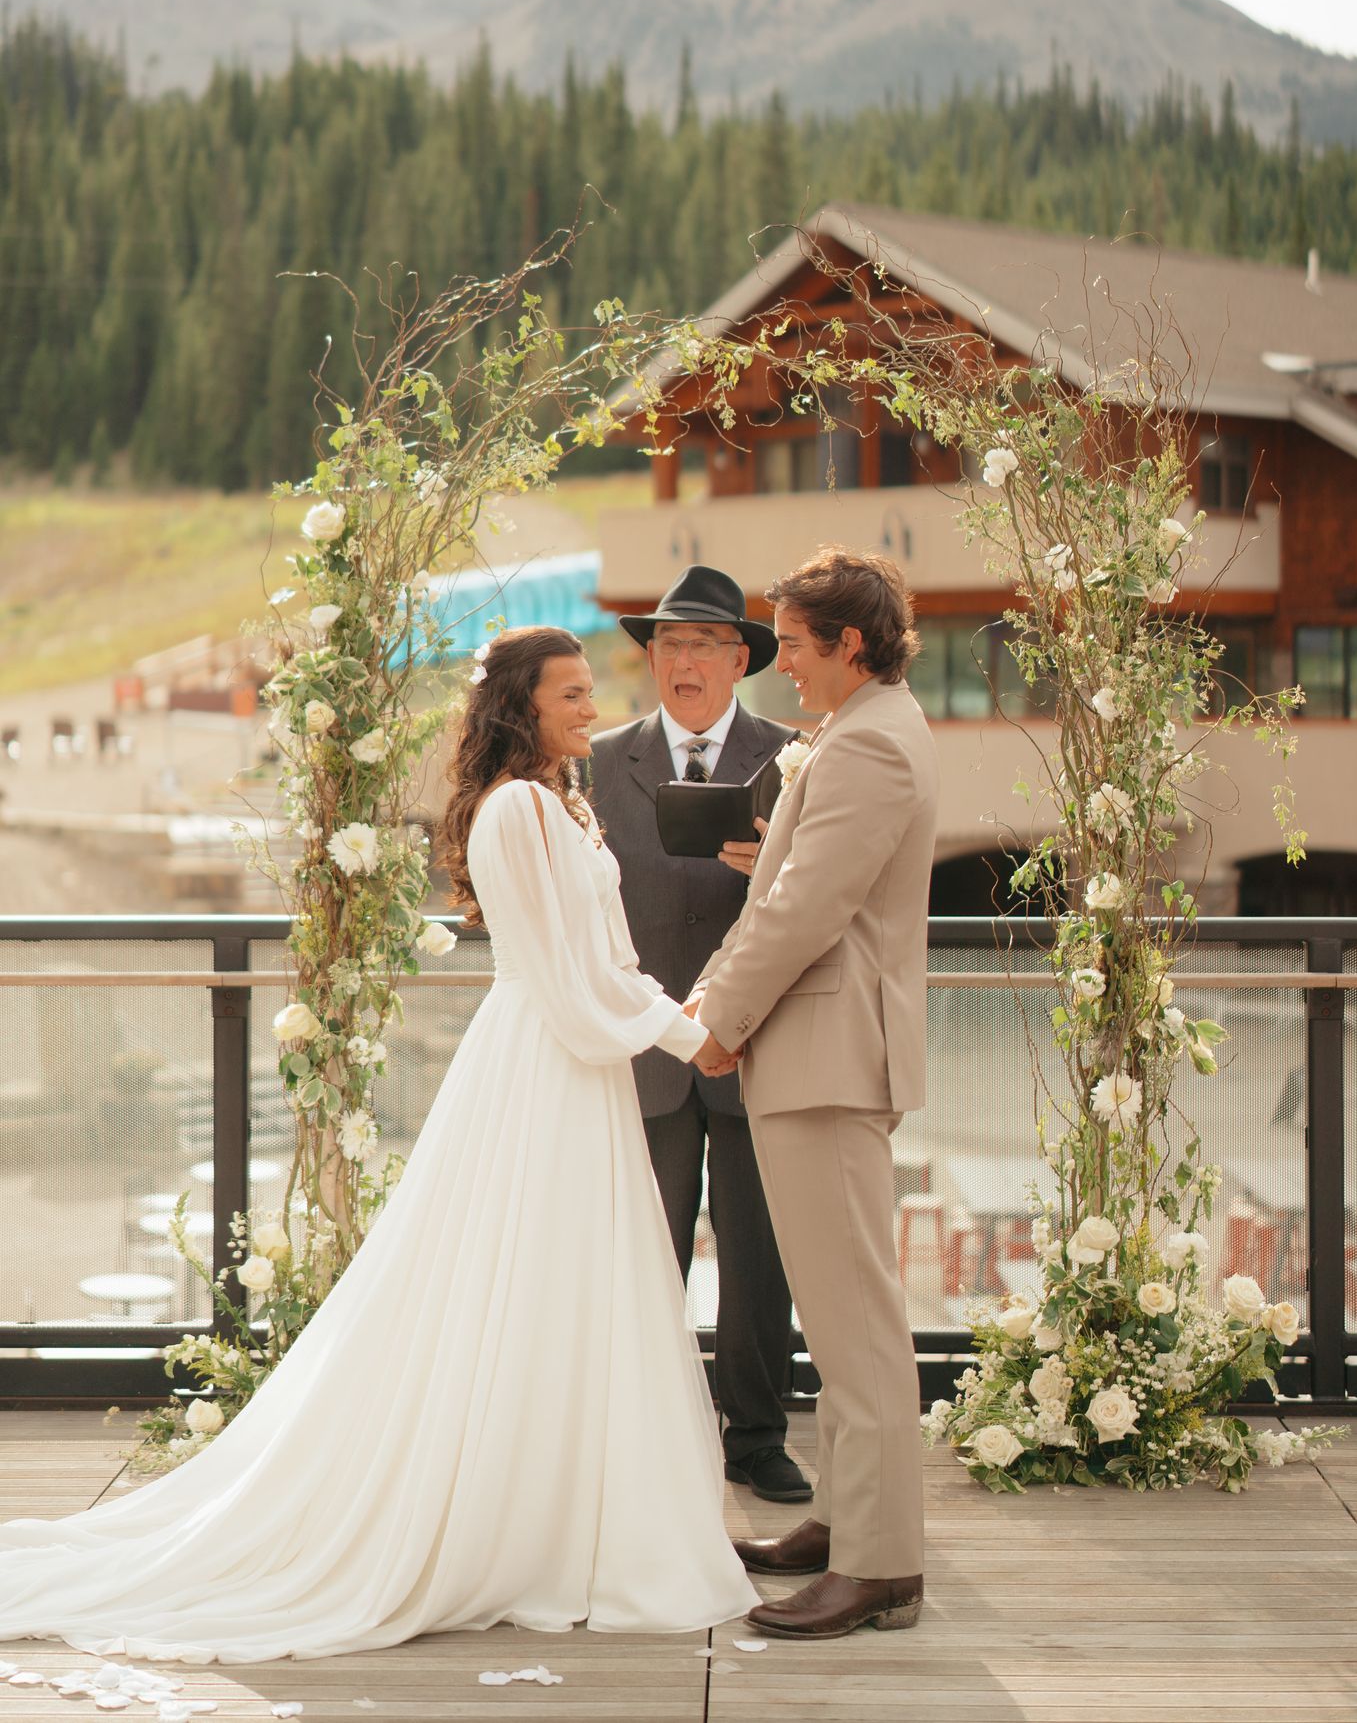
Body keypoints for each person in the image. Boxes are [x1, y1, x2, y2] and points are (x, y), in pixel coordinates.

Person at [0, 627, 758, 1662]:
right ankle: (521, 1523)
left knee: (564, 1291)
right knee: (529, 1282)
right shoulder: (522, 811)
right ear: (520, 711)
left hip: (576, 1070)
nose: (592, 707)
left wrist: (674, 1017)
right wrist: (690, 1031)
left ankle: (557, 1513)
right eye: (570, 694)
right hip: (545, 1069)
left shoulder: (560, 805)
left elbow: (604, 965)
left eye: (590, 691)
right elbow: (571, 982)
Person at [687, 548, 939, 1641]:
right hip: (817, 1053)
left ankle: (882, 1565)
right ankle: (841, 1521)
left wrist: (714, 1020)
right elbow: (793, 891)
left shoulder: (870, 746)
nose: (776, 661)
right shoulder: (855, 734)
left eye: (791, 642)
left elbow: (804, 912)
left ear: (850, 645)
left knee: (858, 1324)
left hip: (830, 1059)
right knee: (841, 1319)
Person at [588, 564, 808, 1504]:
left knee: (760, 1254)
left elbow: (821, 896)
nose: (684, 661)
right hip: (645, 1048)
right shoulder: (599, 762)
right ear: (652, 659)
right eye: (669, 644)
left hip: (757, 1042)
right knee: (643, 1251)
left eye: (705, 645)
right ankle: (641, 1438)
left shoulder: (795, 756)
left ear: (739, 661)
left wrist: (774, 864)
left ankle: (755, 1438)